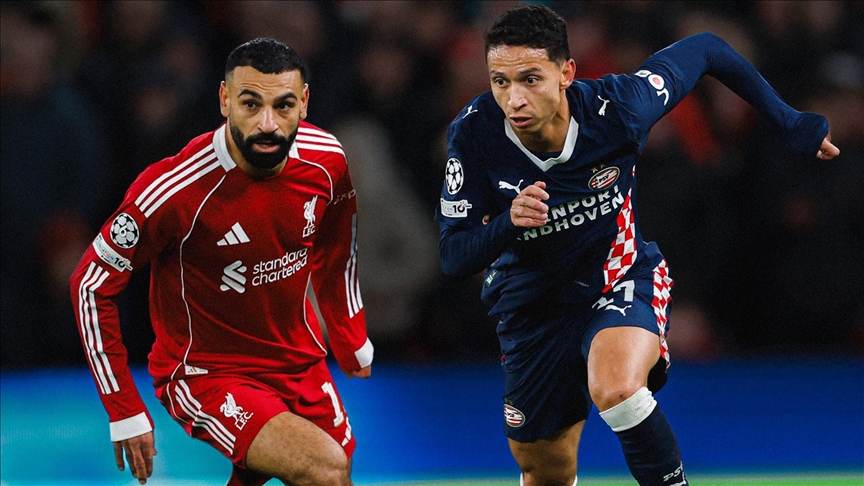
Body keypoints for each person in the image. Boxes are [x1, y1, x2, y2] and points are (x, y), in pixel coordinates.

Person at [435, 5, 839, 486]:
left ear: (567, 73)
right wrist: (508, 223)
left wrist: (789, 121)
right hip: (532, 307)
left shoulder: (619, 108)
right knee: (544, 470)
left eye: (530, 79)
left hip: (618, 279)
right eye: (500, 81)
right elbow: (454, 256)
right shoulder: (474, 133)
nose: (514, 98)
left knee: (619, 389)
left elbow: (706, 49)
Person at [69, 38, 373, 486]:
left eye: (284, 105)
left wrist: (349, 333)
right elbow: (90, 284)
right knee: (324, 467)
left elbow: (336, 244)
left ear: (304, 103)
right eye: (251, 104)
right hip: (206, 374)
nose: (267, 124)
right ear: (225, 100)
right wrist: (124, 408)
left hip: (298, 361)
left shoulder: (327, 160)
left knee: (336, 467)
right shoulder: (174, 190)